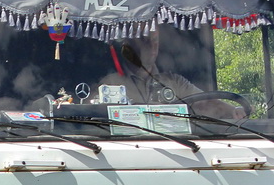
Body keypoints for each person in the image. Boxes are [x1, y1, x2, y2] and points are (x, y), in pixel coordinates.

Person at [97, 28, 244, 120]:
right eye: (145, 40)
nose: (152, 45)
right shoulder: (110, 84)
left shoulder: (175, 82)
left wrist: (234, 111)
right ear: (127, 46)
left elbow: (205, 103)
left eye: (155, 40)